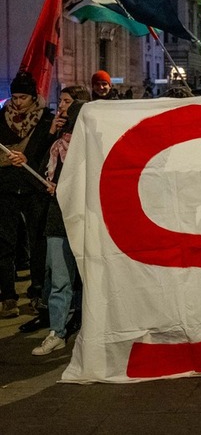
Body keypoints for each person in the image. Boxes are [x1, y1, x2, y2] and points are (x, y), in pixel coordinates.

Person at [32, 99, 86, 355]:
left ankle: (86, 326)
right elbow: (42, 174)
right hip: (58, 220)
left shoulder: (89, 148)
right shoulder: (57, 147)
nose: (61, 112)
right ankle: (57, 332)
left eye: (67, 109)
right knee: (60, 280)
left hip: (85, 219)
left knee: (88, 278)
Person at [0, 71, 56, 318]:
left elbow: (49, 153)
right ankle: (8, 296)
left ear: (34, 97)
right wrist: (7, 158)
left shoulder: (47, 120)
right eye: (15, 97)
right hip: (6, 186)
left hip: (34, 187)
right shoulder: (2, 118)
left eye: (23, 97)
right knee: (5, 243)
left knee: (37, 242)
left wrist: (28, 158)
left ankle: (37, 292)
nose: (18, 102)